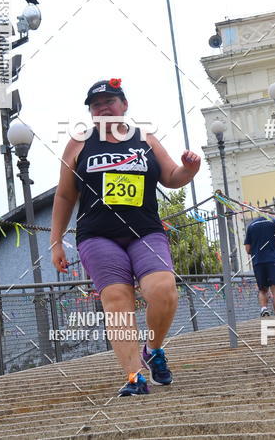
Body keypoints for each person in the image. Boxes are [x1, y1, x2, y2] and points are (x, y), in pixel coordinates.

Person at [50, 79, 201, 397]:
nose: (103, 107)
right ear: (91, 112)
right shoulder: (79, 143)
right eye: (96, 104)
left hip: (144, 230)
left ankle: (153, 349)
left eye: (110, 101)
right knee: (117, 301)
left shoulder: (144, 139)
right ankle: (135, 377)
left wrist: (189, 170)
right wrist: (55, 242)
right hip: (97, 235)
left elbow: (172, 176)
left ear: (124, 105)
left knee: (162, 290)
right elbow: (64, 196)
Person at [244, 214, 275, 316]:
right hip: (273, 260)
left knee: (262, 289)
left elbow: (248, 249)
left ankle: (264, 308)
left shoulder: (251, 226)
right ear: (270, 213)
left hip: (258, 262)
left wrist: (257, 252)